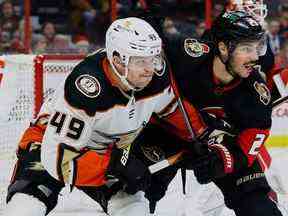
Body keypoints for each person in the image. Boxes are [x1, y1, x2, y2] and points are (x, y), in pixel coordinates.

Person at [3, 17, 207, 216]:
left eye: (153, 58)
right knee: (26, 207)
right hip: (52, 144)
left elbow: (172, 110)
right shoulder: (87, 87)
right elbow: (58, 159)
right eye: (140, 61)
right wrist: (113, 166)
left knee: (135, 210)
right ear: (117, 60)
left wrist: (203, 138)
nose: (149, 69)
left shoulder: (155, 76)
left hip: (107, 152)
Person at [139, 10, 283, 216]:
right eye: (246, 48)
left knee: (258, 207)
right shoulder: (190, 56)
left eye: (257, 47)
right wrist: (147, 28)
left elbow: (249, 146)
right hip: (165, 139)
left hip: (217, 147)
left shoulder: (256, 94)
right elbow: (154, 47)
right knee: (131, 190)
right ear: (223, 48)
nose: (255, 57)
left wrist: (223, 161)